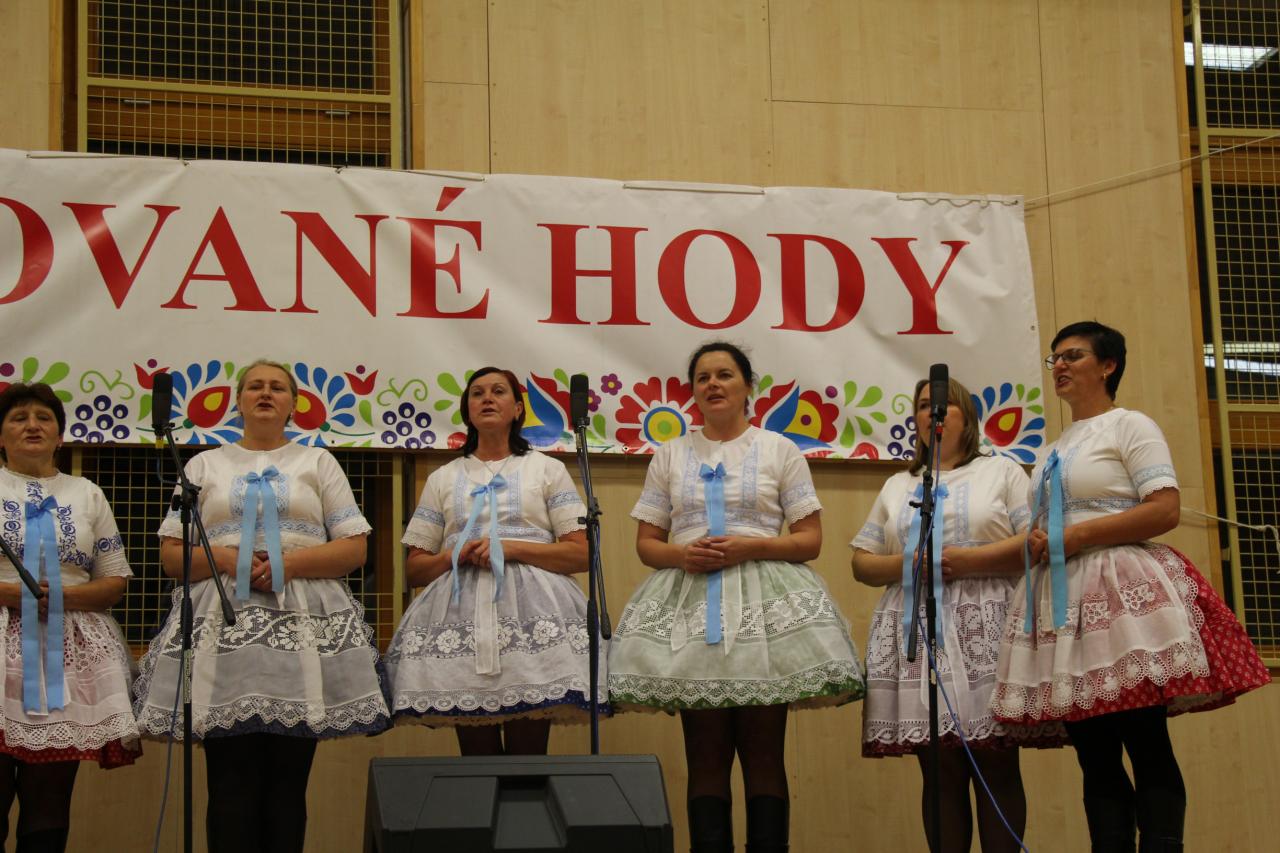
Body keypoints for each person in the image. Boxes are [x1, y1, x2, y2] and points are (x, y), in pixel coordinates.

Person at [992, 322, 1270, 852]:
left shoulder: (1130, 425)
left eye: (1073, 355)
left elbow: (1164, 509)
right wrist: (1040, 541)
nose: (1060, 366)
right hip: (1063, 601)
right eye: (1055, 358)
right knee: (1093, 753)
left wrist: (1077, 536)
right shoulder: (1051, 448)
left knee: (1145, 740)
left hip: (1120, 593)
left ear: (1108, 366)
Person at [608, 342, 864, 853]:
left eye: (724, 374)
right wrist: (683, 555)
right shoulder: (670, 453)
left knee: (764, 756)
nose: (713, 384)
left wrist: (751, 546)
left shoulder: (779, 449)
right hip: (690, 603)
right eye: (703, 377)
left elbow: (809, 541)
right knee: (704, 759)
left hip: (764, 608)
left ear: (748, 386)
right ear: (692, 392)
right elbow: (647, 545)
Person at [132, 360, 389, 853]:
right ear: (238, 401)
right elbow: (171, 556)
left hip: (301, 630)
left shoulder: (317, 462)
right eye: (254, 386)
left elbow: (354, 548)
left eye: (277, 387)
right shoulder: (203, 465)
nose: (265, 393)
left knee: (288, 786)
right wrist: (229, 559)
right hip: (222, 630)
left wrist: (290, 564)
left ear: (294, 404)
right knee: (229, 784)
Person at [852, 376, 1062, 853]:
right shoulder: (899, 484)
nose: (934, 413)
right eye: (925, 405)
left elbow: (1034, 542)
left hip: (987, 625)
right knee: (938, 769)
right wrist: (911, 563)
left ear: (967, 417)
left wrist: (964, 561)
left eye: (945, 405)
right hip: (917, 627)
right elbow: (862, 563)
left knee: (995, 762)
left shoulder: (1001, 471)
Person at [385, 366, 606, 753]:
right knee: (476, 758)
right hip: (458, 619)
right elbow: (415, 568)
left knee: (529, 754)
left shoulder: (546, 469)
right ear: (467, 411)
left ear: (518, 409)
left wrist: (511, 548)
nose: (487, 398)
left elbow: (580, 552)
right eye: (477, 393)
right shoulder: (443, 478)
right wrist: (455, 555)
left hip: (535, 620)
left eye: (499, 391)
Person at [0, 382, 140, 852]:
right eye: (19, 418)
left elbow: (114, 581)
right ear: (0, 435)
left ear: (60, 436)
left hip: (68, 655)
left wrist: (60, 598)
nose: (32, 425)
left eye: (44, 418)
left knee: (49, 804)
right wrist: (13, 593)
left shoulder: (86, 493)